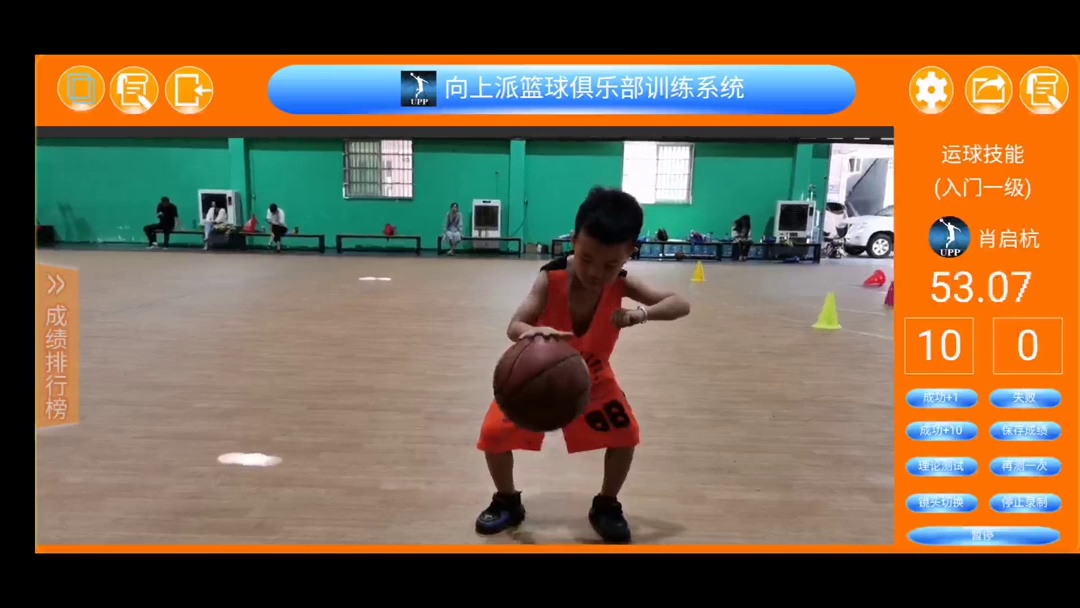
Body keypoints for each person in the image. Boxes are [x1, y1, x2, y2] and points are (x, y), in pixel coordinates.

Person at [474, 186, 691, 543]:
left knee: (626, 435)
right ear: (573, 240)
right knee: (494, 434)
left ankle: (606, 504)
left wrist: (641, 314)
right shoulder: (551, 277)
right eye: (587, 258)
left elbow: (681, 304)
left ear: (629, 253)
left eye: (610, 264)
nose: (595, 271)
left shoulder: (622, 284)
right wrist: (533, 331)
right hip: (539, 376)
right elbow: (514, 325)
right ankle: (507, 500)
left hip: (593, 376)